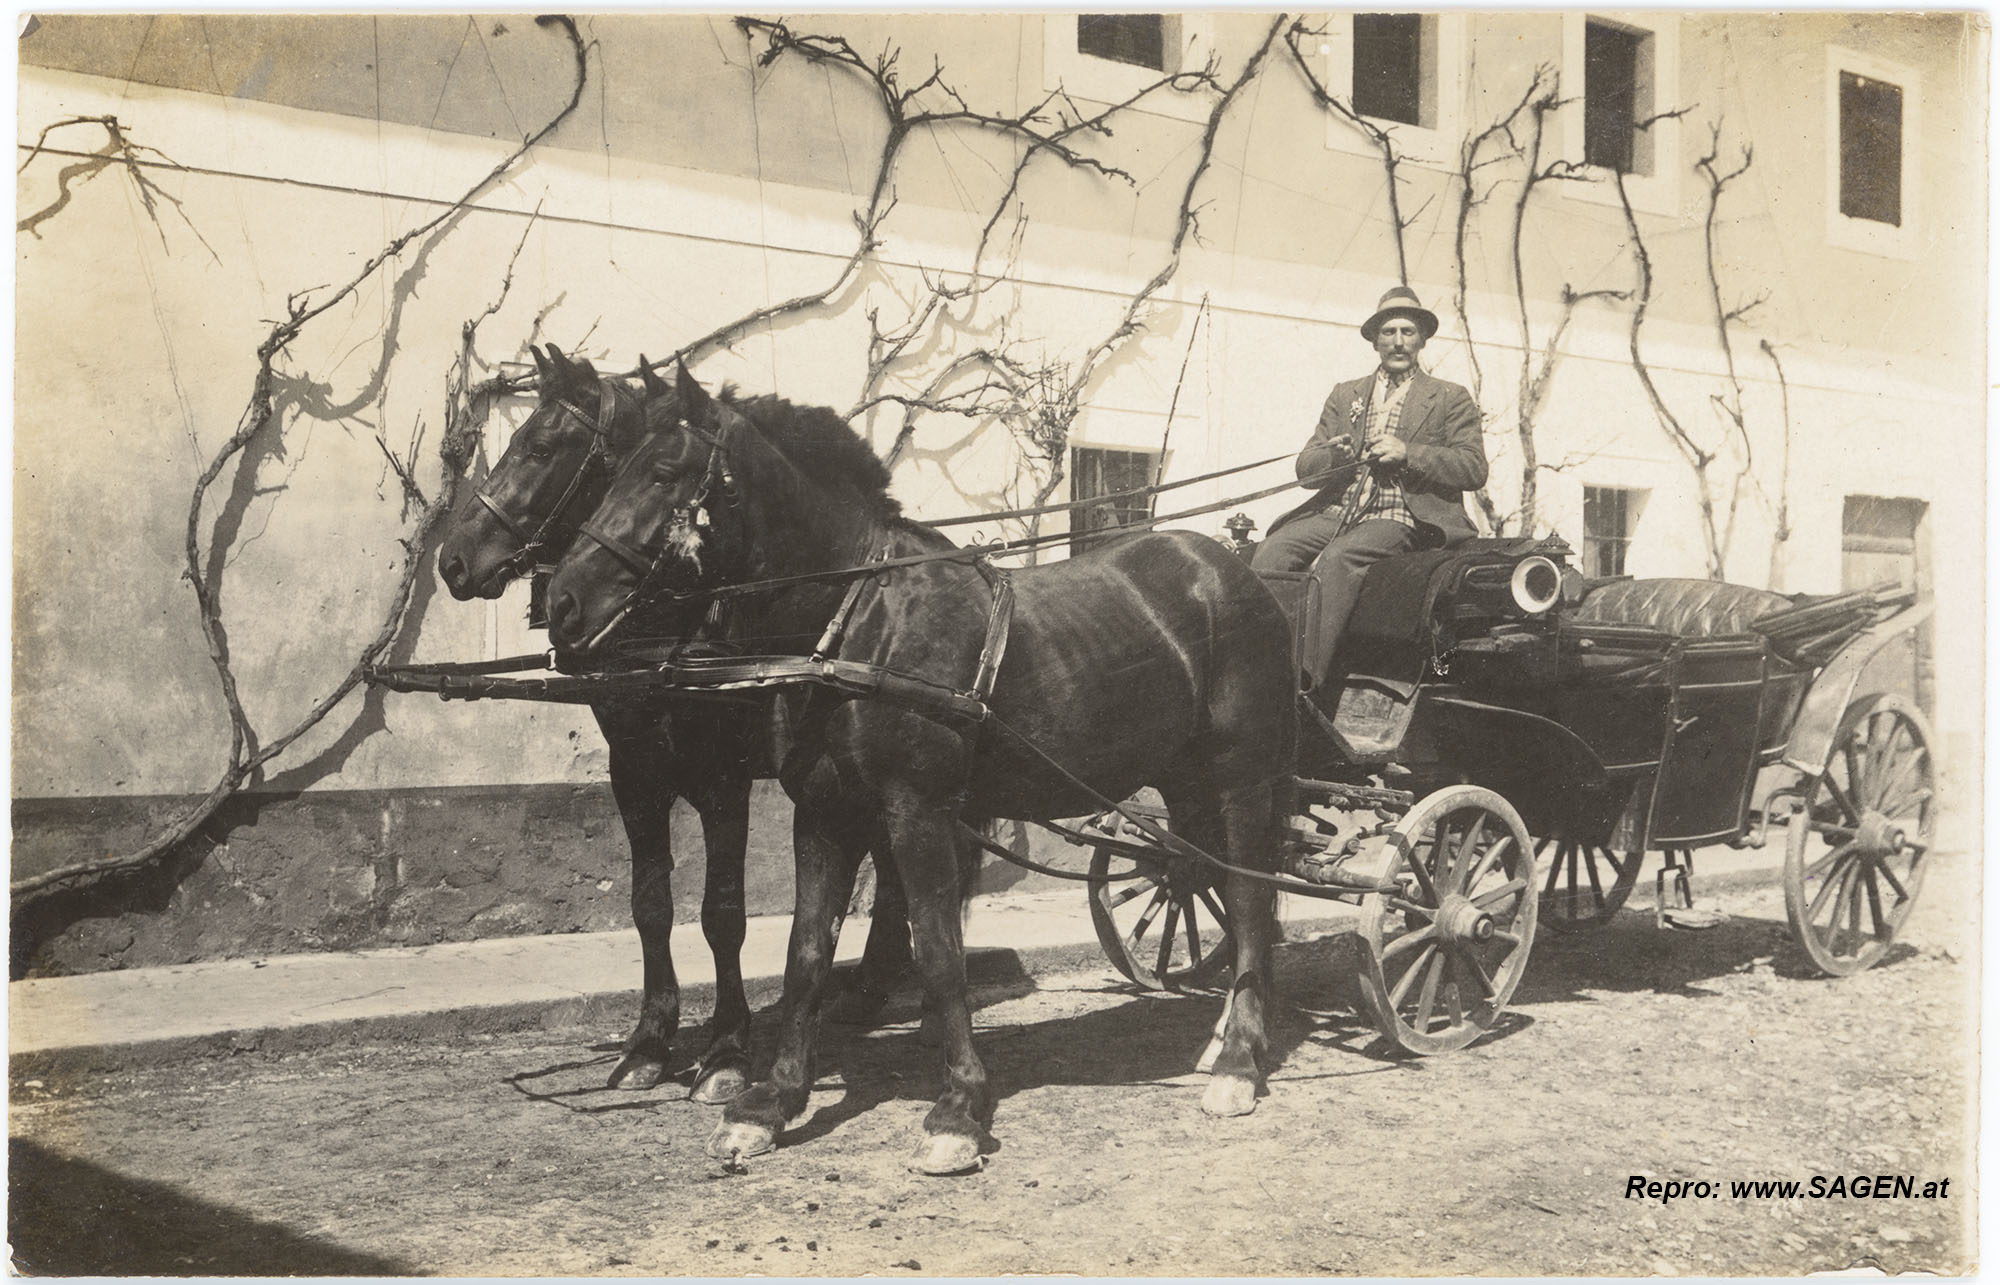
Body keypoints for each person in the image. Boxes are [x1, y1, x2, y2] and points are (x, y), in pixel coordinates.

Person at [1252, 285, 1487, 688]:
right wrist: (1334, 458)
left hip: (1401, 517)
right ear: (1375, 340)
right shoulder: (1346, 395)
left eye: (1407, 332)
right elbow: (1306, 469)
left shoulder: (1449, 398)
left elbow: (1473, 468)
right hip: (1337, 512)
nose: (1398, 341)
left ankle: (1302, 683)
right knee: (1271, 553)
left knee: (1339, 559)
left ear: (1422, 340)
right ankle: (1254, 669)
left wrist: (1408, 452)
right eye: (1389, 332)